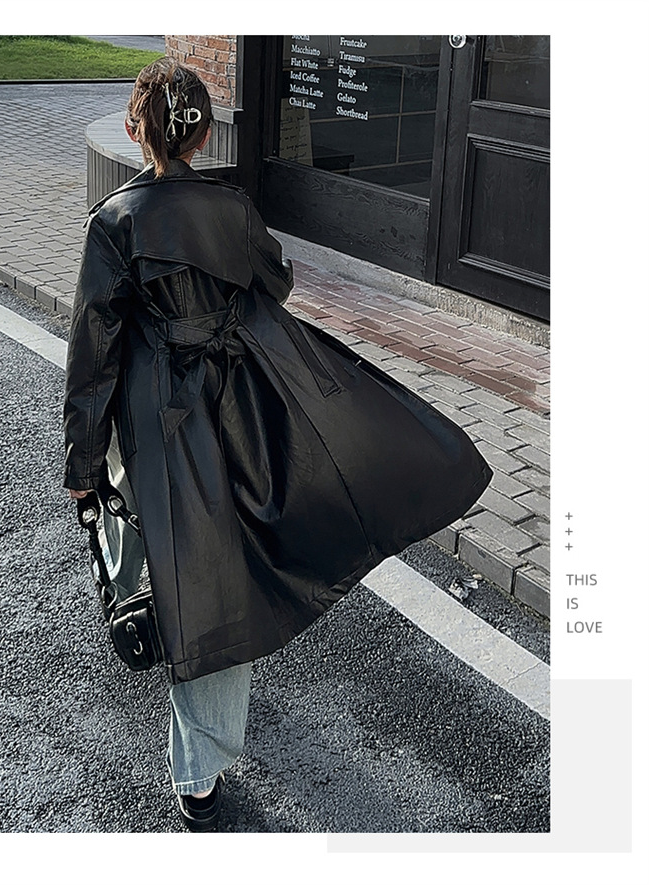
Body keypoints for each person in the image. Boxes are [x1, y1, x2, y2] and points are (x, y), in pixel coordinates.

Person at [63, 58, 492, 832]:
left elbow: (93, 356)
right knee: (218, 576)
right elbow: (276, 284)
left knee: (168, 556)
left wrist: (81, 464)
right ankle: (200, 760)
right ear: (203, 136)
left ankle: (182, 724)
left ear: (134, 130)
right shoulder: (233, 207)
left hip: (154, 419)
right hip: (234, 404)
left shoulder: (114, 222)